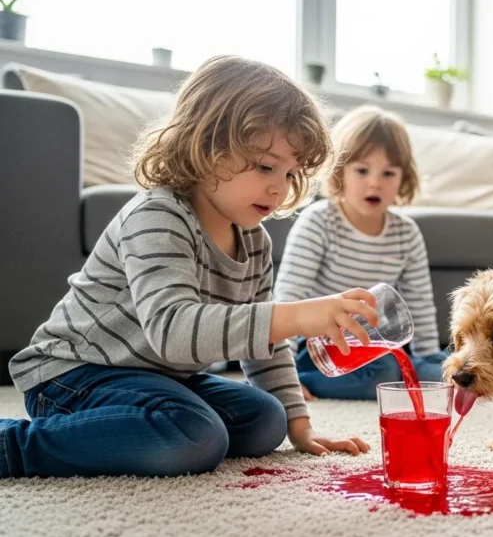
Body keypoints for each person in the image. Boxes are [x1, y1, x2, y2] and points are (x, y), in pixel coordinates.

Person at [0, 55, 379, 480]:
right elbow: (173, 332)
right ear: (206, 146)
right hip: (75, 373)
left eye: (290, 174)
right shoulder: (157, 216)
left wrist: (300, 427)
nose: (278, 186)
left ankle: (152, 426)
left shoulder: (253, 241)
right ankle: (12, 445)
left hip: (154, 375)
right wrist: (294, 316)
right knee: (196, 437)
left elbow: (264, 344)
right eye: (266, 165)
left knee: (267, 419)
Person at [274, 105, 446, 401]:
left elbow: (420, 305)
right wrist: (283, 378)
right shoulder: (319, 221)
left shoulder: (406, 233)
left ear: (403, 179)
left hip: (377, 349)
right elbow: (288, 299)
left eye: (388, 173)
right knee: (385, 376)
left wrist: (429, 360)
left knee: (443, 374)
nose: (375, 182)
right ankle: (305, 379)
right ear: (340, 171)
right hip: (320, 349)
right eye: (362, 170)